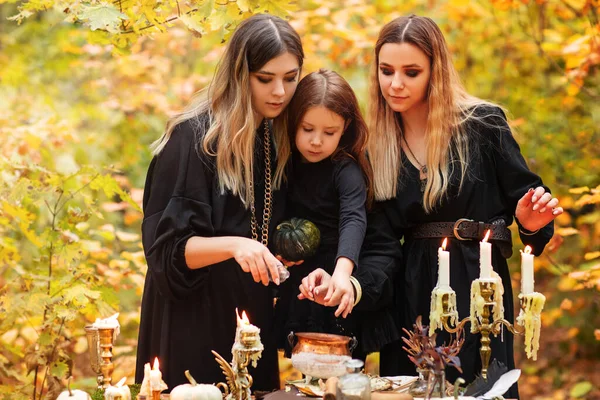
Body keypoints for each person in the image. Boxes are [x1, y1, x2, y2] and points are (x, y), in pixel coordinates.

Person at [299, 15, 563, 398]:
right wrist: (353, 285)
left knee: (479, 387)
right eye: (386, 70)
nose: (396, 83)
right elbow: (380, 245)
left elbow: (528, 205)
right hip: (411, 295)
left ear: (435, 72)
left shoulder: (483, 125)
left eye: (411, 72)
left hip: (479, 288)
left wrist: (530, 223)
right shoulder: (375, 145)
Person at [135, 14, 304, 391]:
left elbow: (257, 228)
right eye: (265, 79)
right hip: (191, 322)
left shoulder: (271, 136)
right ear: (240, 74)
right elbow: (166, 254)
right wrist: (237, 247)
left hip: (247, 324)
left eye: (290, 78)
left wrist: (273, 253)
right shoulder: (191, 137)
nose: (279, 91)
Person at [273, 69, 376, 357]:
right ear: (293, 123)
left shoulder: (346, 169)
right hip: (299, 280)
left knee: (337, 366)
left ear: (346, 129)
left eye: (329, 132)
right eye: (307, 129)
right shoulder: (286, 163)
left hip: (333, 279)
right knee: (300, 364)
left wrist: (342, 274)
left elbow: (353, 218)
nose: (316, 141)